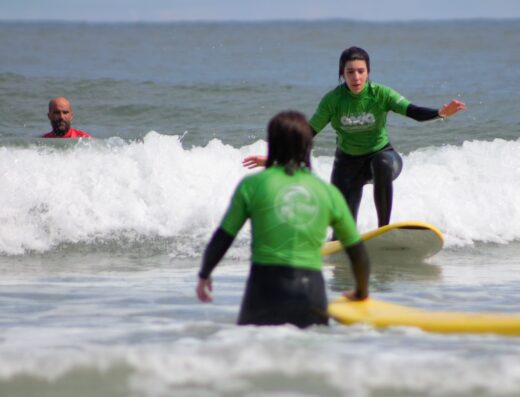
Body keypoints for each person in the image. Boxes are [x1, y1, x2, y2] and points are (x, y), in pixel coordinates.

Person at [243, 46, 466, 227]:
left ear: (368, 72)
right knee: (342, 231)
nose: (356, 77)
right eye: (350, 72)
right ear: (342, 74)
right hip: (347, 165)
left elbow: (413, 111)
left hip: (382, 157)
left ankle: (383, 230)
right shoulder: (333, 100)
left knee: (382, 162)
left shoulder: (381, 94)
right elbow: (308, 133)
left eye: (361, 71)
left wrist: (439, 113)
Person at [196, 111, 370, 328]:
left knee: (252, 357)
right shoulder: (328, 192)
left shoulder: (252, 185)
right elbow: (357, 251)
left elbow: (224, 236)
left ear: (272, 144)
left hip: (263, 292)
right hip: (311, 295)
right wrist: (361, 292)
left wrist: (205, 274)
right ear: (309, 146)